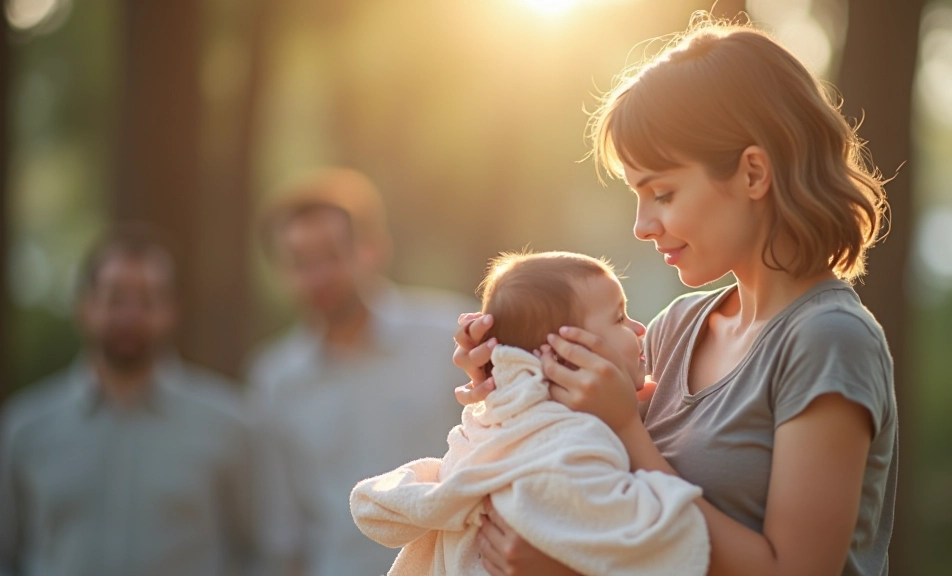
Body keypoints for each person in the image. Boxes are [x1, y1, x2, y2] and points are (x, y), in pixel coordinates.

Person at [453, 15, 897, 576]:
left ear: (753, 174)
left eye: (662, 193)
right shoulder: (674, 328)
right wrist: (508, 375)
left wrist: (625, 442)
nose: (642, 225)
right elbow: (577, 457)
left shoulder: (829, 340)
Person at [350, 251, 709, 576]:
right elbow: (667, 543)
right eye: (619, 317)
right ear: (566, 354)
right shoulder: (571, 446)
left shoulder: (500, 421)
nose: (640, 328)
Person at [247, 168, 471, 576]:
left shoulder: (449, 340)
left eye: (330, 256)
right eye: (299, 262)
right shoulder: (275, 380)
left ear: (371, 249)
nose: (317, 276)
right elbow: (284, 532)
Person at [0, 228, 258, 576]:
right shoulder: (24, 429)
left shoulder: (230, 425)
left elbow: (258, 552)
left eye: (148, 300)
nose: (130, 316)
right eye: (115, 299)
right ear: (85, 306)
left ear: (172, 311)